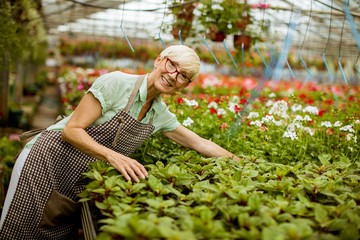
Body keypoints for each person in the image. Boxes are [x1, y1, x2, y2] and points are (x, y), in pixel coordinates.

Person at [0, 45, 240, 239]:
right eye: (172, 64)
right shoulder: (116, 83)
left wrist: (241, 162)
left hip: (74, 180)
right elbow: (71, 131)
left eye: (183, 76)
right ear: (159, 60)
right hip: (44, 162)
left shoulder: (159, 114)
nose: (173, 75)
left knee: (53, 233)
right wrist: (112, 156)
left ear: (184, 86)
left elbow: (200, 143)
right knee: (19, 230)